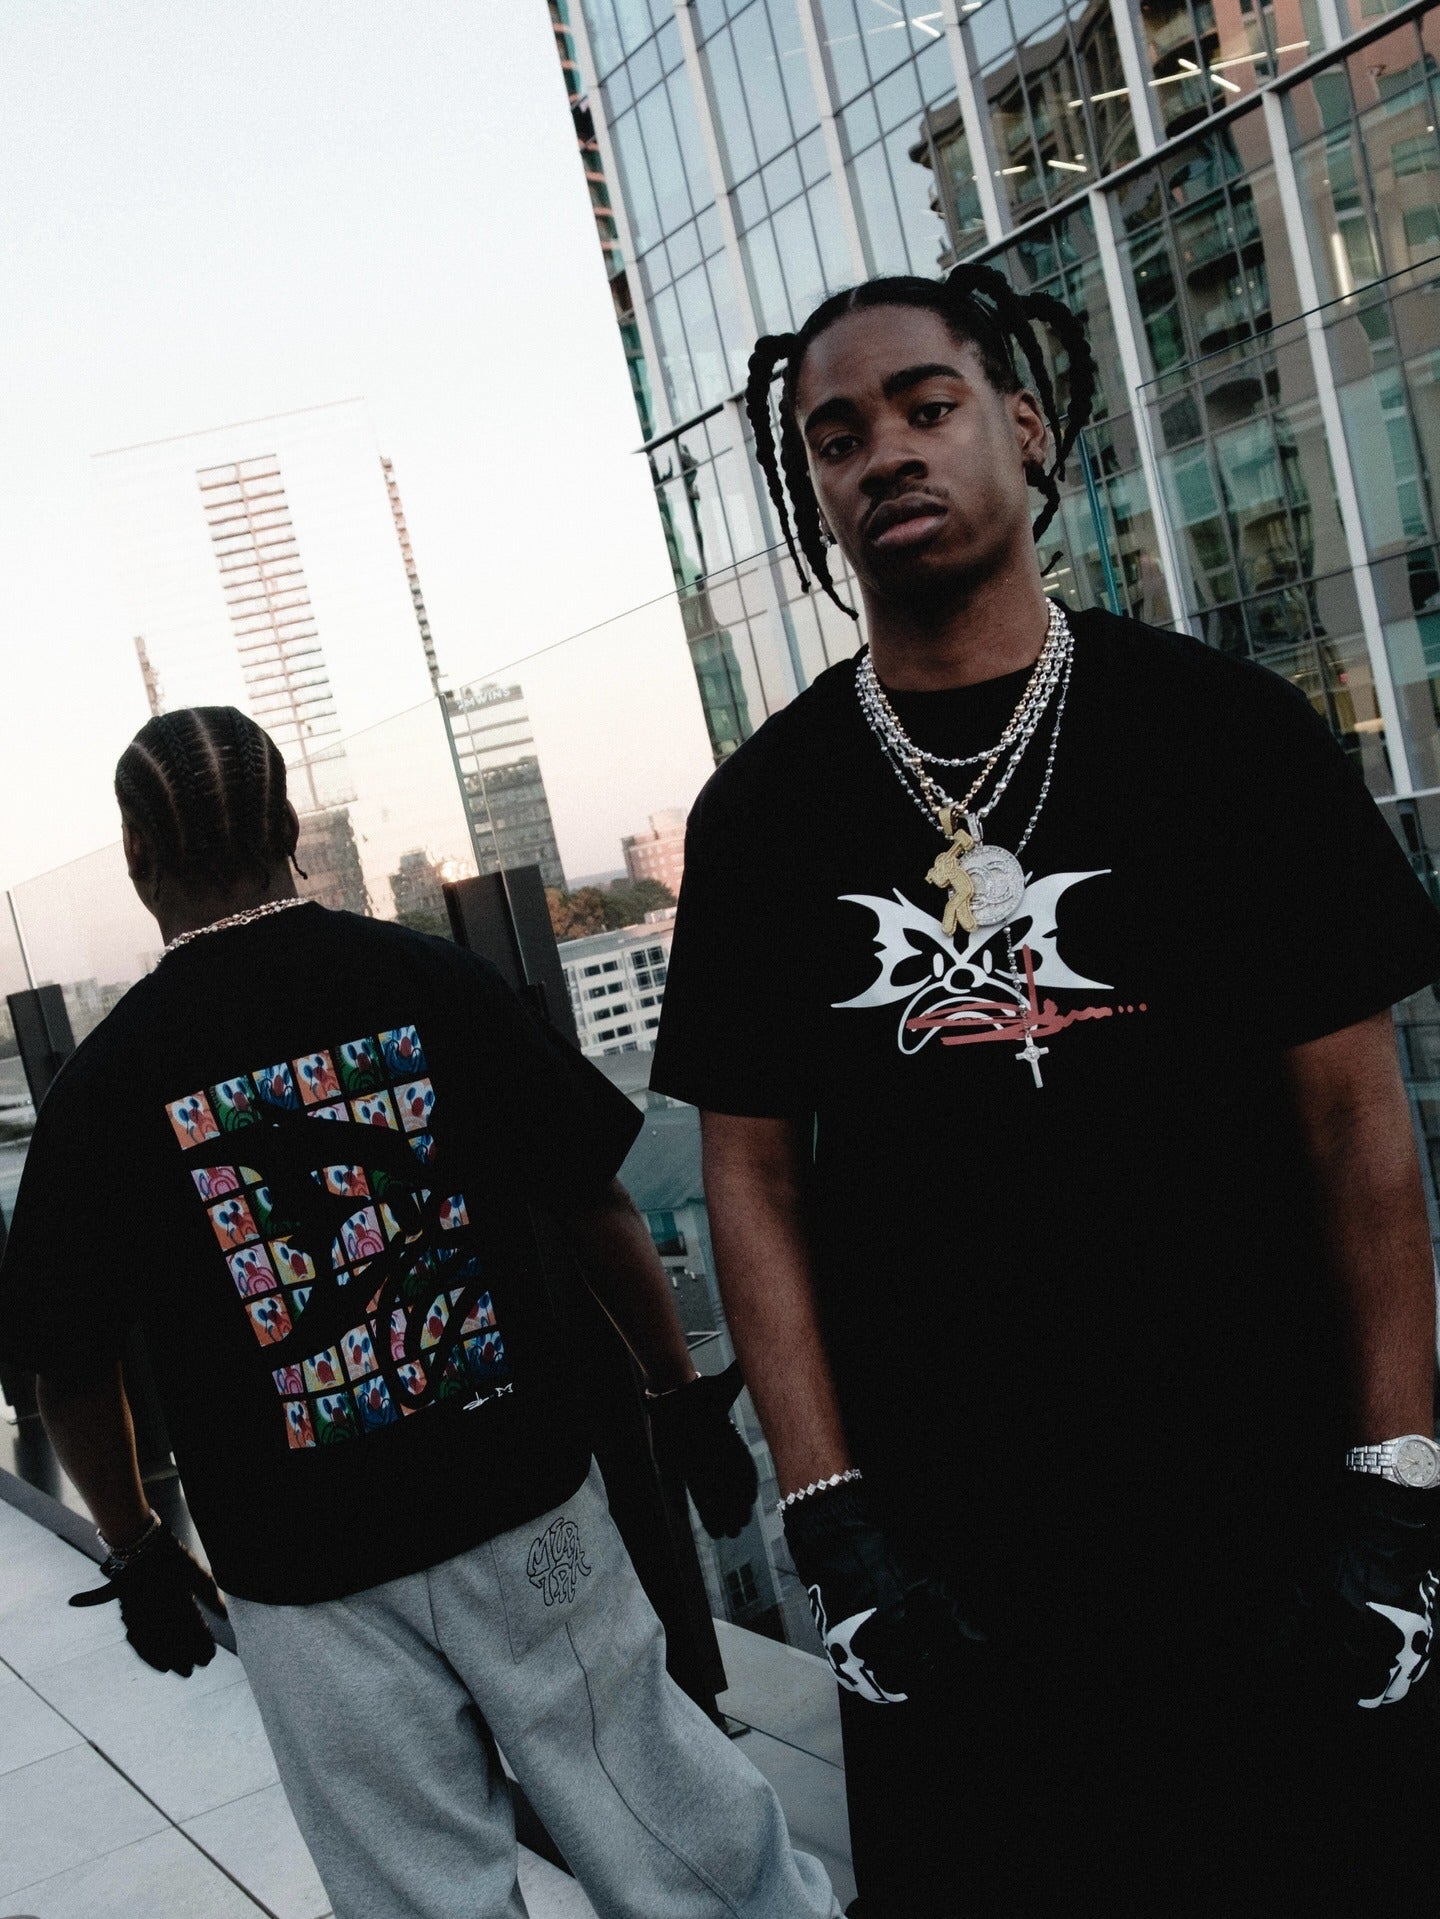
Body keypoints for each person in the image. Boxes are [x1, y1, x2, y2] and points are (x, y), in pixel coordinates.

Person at [650, 265, 1440, 1916]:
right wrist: (827, 1516)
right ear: (816, 496)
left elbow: (1360, 1122)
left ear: (1021, 427)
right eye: (835, 438)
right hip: (950, 1549)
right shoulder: (765, 814)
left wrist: (1398, 1469)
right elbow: (751, 1177)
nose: (883, 451)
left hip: (1267, 1499)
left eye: (925, 406)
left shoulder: (1229, 738)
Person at [0, 706, 840, 1919]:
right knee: (668, 1818)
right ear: (291, 825)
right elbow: (596, 1200)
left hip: (305, 1573)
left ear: (136, 857)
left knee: (416, 1886)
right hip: (518, 1504)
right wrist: (675, 1392)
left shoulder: (104, 1084)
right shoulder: (429, 977)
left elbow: (69, 1369)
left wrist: (137, 1548)